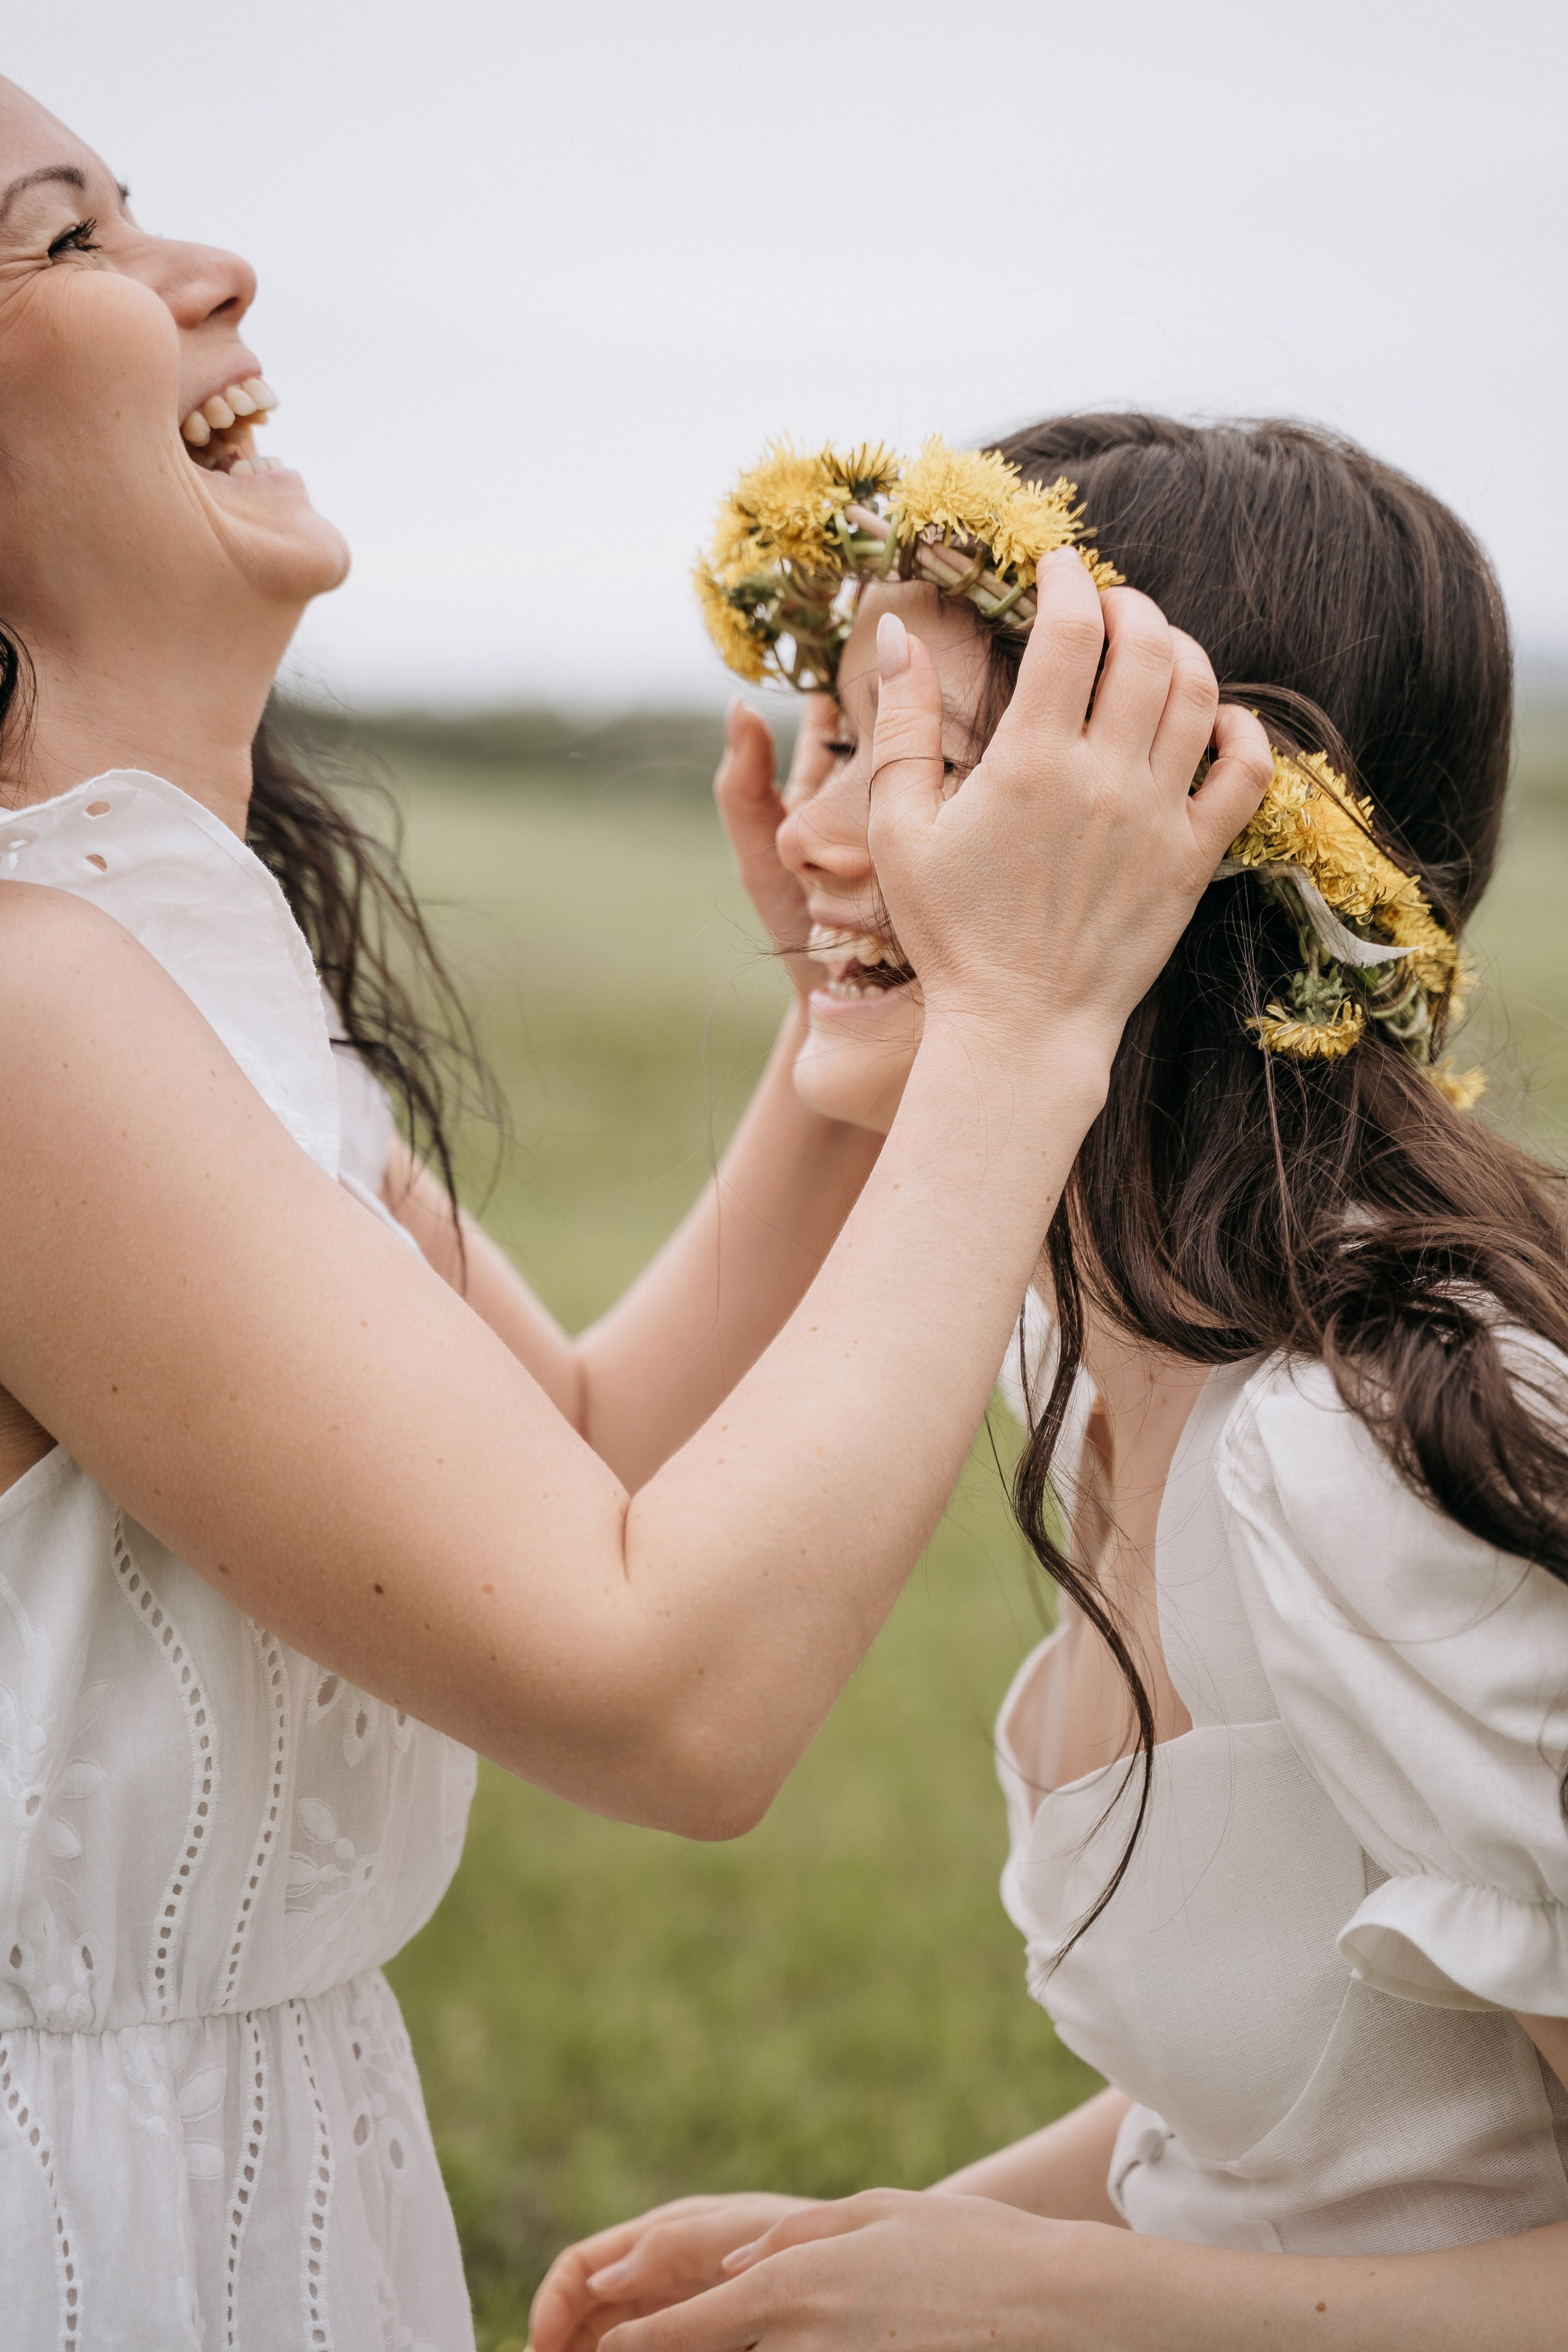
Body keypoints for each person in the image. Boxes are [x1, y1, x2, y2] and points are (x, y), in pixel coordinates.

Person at [0, 85, 1270, 2349]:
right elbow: (669, 1694)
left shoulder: (159, 979)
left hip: (248, 2167)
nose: (211, 271)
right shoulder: (26, 1012)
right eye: (64, 235)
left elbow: (578, 1460)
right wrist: (1019, 1019)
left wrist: (842, 1038)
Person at [531, 418, 1568, 2350]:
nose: (826, 830)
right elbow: (1321, 2132)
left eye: (939, 760)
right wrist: (871, 2250)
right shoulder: (1085, 1351)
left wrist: (1046, 2302)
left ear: (1202, 831)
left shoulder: (1369, 1459)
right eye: (840, 736)